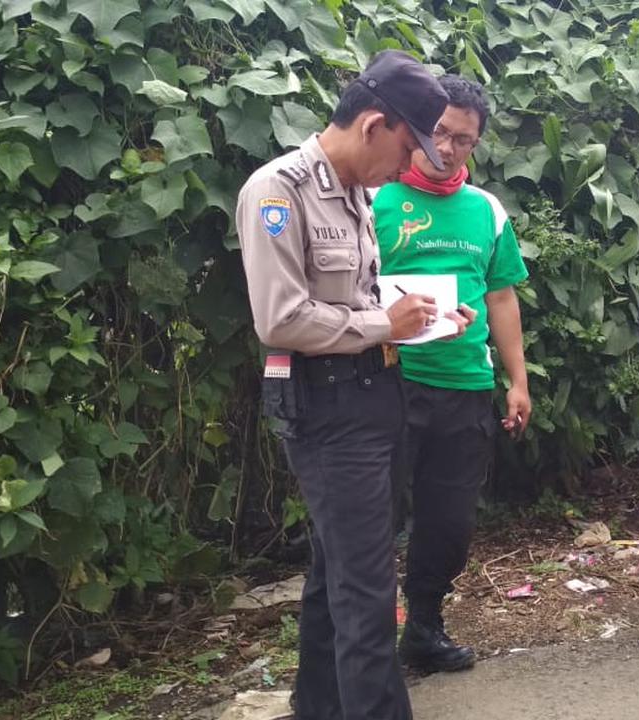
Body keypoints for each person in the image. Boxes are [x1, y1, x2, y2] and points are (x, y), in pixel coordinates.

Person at [236, 50, 472, 719]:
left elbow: (356, 302)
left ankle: (318, 706)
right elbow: (280, 317)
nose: (412, 163)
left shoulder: (356, 193)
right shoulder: (278, 191)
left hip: (372, 396)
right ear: (373, 125)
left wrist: (420, 320)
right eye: (408, 146)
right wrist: (382, 324)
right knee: (367, 591)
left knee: (335, 571)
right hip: (326, 406)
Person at [372, 75, 531, 673]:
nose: (447, 148)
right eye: (438, 131)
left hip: (465, 385)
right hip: (389, 380)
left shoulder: (486, 209)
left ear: (476, 143)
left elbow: (502, 297)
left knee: (449, 520)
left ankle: (424, 629)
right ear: (417, 125)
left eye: (463, 139)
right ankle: (364, 645)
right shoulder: (375, 200)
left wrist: (518, 381)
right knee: (374, 516)